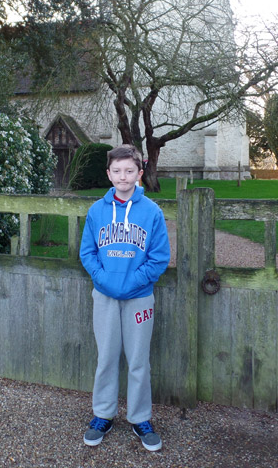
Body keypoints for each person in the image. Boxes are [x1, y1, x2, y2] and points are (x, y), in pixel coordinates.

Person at [79, 144, 171, 452]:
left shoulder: (151, 212)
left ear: (139, 173)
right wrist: (105, 281)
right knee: (106, 357)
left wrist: (131, 283)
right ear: (108, 173)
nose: (123, 176)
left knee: (138, 360)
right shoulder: (97, 211)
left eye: (129, 171)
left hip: (139, 298)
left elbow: (159, 258)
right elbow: (87, 253)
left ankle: (140, 417)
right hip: (105, 296)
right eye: (117, 171)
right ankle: (103, 414)